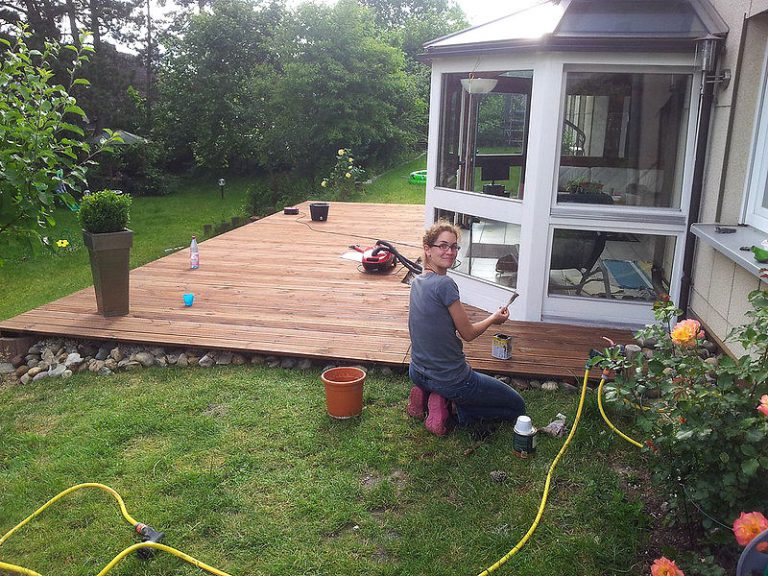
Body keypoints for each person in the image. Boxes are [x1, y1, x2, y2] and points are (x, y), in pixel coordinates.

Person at [407, 220, 526, 436]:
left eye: (454, 247)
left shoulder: (417, 282)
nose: (450, 252)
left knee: (460, 387)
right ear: (427, 249)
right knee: (517, 406)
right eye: (443, 246)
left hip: (416, 370)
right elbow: (468, 334)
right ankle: (451, 408)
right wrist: (493, 319)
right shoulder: (445, 285)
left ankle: (426, 394)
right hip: (452, 379)